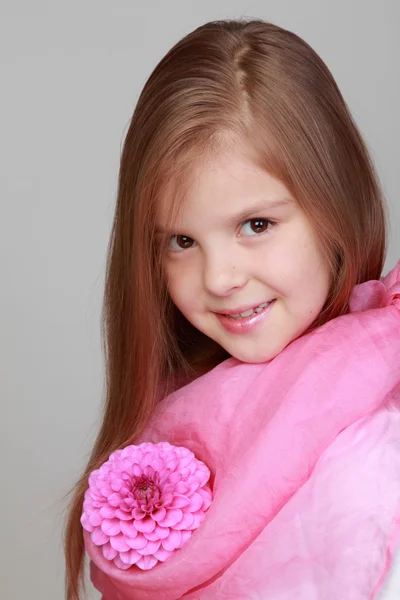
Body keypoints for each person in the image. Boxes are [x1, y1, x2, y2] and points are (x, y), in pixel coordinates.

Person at [63, 18, 400, 600]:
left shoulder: (379, 438)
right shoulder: (178, 421)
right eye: (181, 241)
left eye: (256, 225)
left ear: (335, 207)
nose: (219, 279)